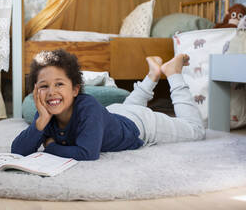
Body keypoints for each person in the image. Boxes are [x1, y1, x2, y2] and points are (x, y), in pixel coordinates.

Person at [11, 49, 205, 161]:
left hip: (141, 125)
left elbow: (87, 154)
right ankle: (153, 75)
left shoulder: (88, 108)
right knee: (127, 108)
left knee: (195, 131)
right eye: (44, 86)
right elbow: (18, 151)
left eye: (59, 84)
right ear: (36, 91)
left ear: (75, 90)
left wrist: (51, 147)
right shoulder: (45, 113)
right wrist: (40, 123)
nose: (51, 92)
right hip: (114, 114)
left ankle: (173, 72)